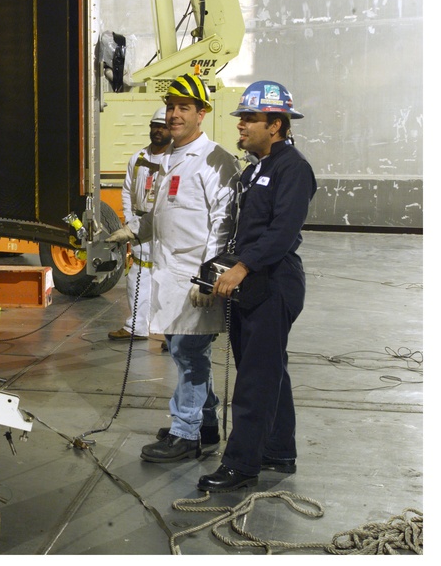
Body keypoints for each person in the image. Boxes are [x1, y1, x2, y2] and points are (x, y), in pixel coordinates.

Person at [108, 73, 239, 461]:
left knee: (188, 354)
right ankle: (206, 425)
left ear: (202, 113)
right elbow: (162, 214)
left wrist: (209, 277)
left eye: (184, 107)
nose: (174, 114)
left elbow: (225, 223)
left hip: (196, 281)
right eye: (170, 107)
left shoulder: (215, 161)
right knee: (186, 353)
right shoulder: (169, 158)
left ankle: (186, 434)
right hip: (169, 276)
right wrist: (132, 232)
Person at [197, 80, 317, 492]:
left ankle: (241, 465)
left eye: (250, 118)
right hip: (252, 281)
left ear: (276, 124)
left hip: (274, 280)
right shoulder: (255, 169)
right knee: (268, 370)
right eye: (242, 118)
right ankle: (278, 450)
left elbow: (283, 231)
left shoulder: (292, 167)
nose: (241, 125)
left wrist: (243, 266)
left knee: (254, 379)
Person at [107, 106, 171, 342]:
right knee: (138, 275)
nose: (158, 131)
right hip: (139, 227)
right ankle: (137, 326)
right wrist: (130, 221)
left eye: (163, 127)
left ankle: (171, 332)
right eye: (155, 126)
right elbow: (127, 190)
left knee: (167, 278)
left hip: (165, 227)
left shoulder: (174, 160)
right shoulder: (138, 158)